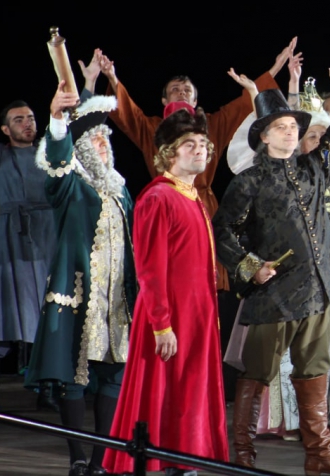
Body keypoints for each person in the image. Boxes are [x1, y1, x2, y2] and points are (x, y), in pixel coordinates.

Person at [213, 37, 330, 475]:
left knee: (314, 371)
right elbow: (223, 230)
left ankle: (320, 455)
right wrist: (251, 267)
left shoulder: (315, 168)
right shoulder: (248, 181)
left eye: (293, 126)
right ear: (264, 135)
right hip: (274, 295)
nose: (290, 131)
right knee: (256, 374)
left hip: (319, 290)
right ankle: (244, 456)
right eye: (281, 127)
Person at [95, 43, 287, 289]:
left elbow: (243, 105)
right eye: (175, 90)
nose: (182, 93)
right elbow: (127, 113)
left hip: (204, 212)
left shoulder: (211, 127)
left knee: (213, 273)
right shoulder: (152, 135)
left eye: (187, 90)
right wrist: (112, 78)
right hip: (168, 213)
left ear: (196, 100)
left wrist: (275, 68)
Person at [104, 101, 228, 476]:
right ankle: (166, 460)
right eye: (190, 144)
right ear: (169, 153)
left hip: (197, 316)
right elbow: (151, 269)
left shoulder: (192, 196)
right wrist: (161, 324)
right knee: (165, 389)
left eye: (203, 144)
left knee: (187, 391)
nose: (200, 150)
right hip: (170, 315)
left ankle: (185, 460)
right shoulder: (158, 198)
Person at [25, 82, 137, 476]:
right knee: (73, 378)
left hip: (116, 300)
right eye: (95, 139)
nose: (104, 145)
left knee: (113, 378)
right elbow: (56, 160)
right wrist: (57, 119)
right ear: (82, 147)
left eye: (106, 139)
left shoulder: (121, 190)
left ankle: (100, 461)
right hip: (79, 296)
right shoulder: (69, 184)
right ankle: (76, 457)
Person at [0, 99, 57, 411]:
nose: (27, 123)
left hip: (48, 239)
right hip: (10, 241)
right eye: (18, 119)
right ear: (5, 129)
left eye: (30, 117)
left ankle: (48, 388)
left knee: (50, 312)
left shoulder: (49, 153)